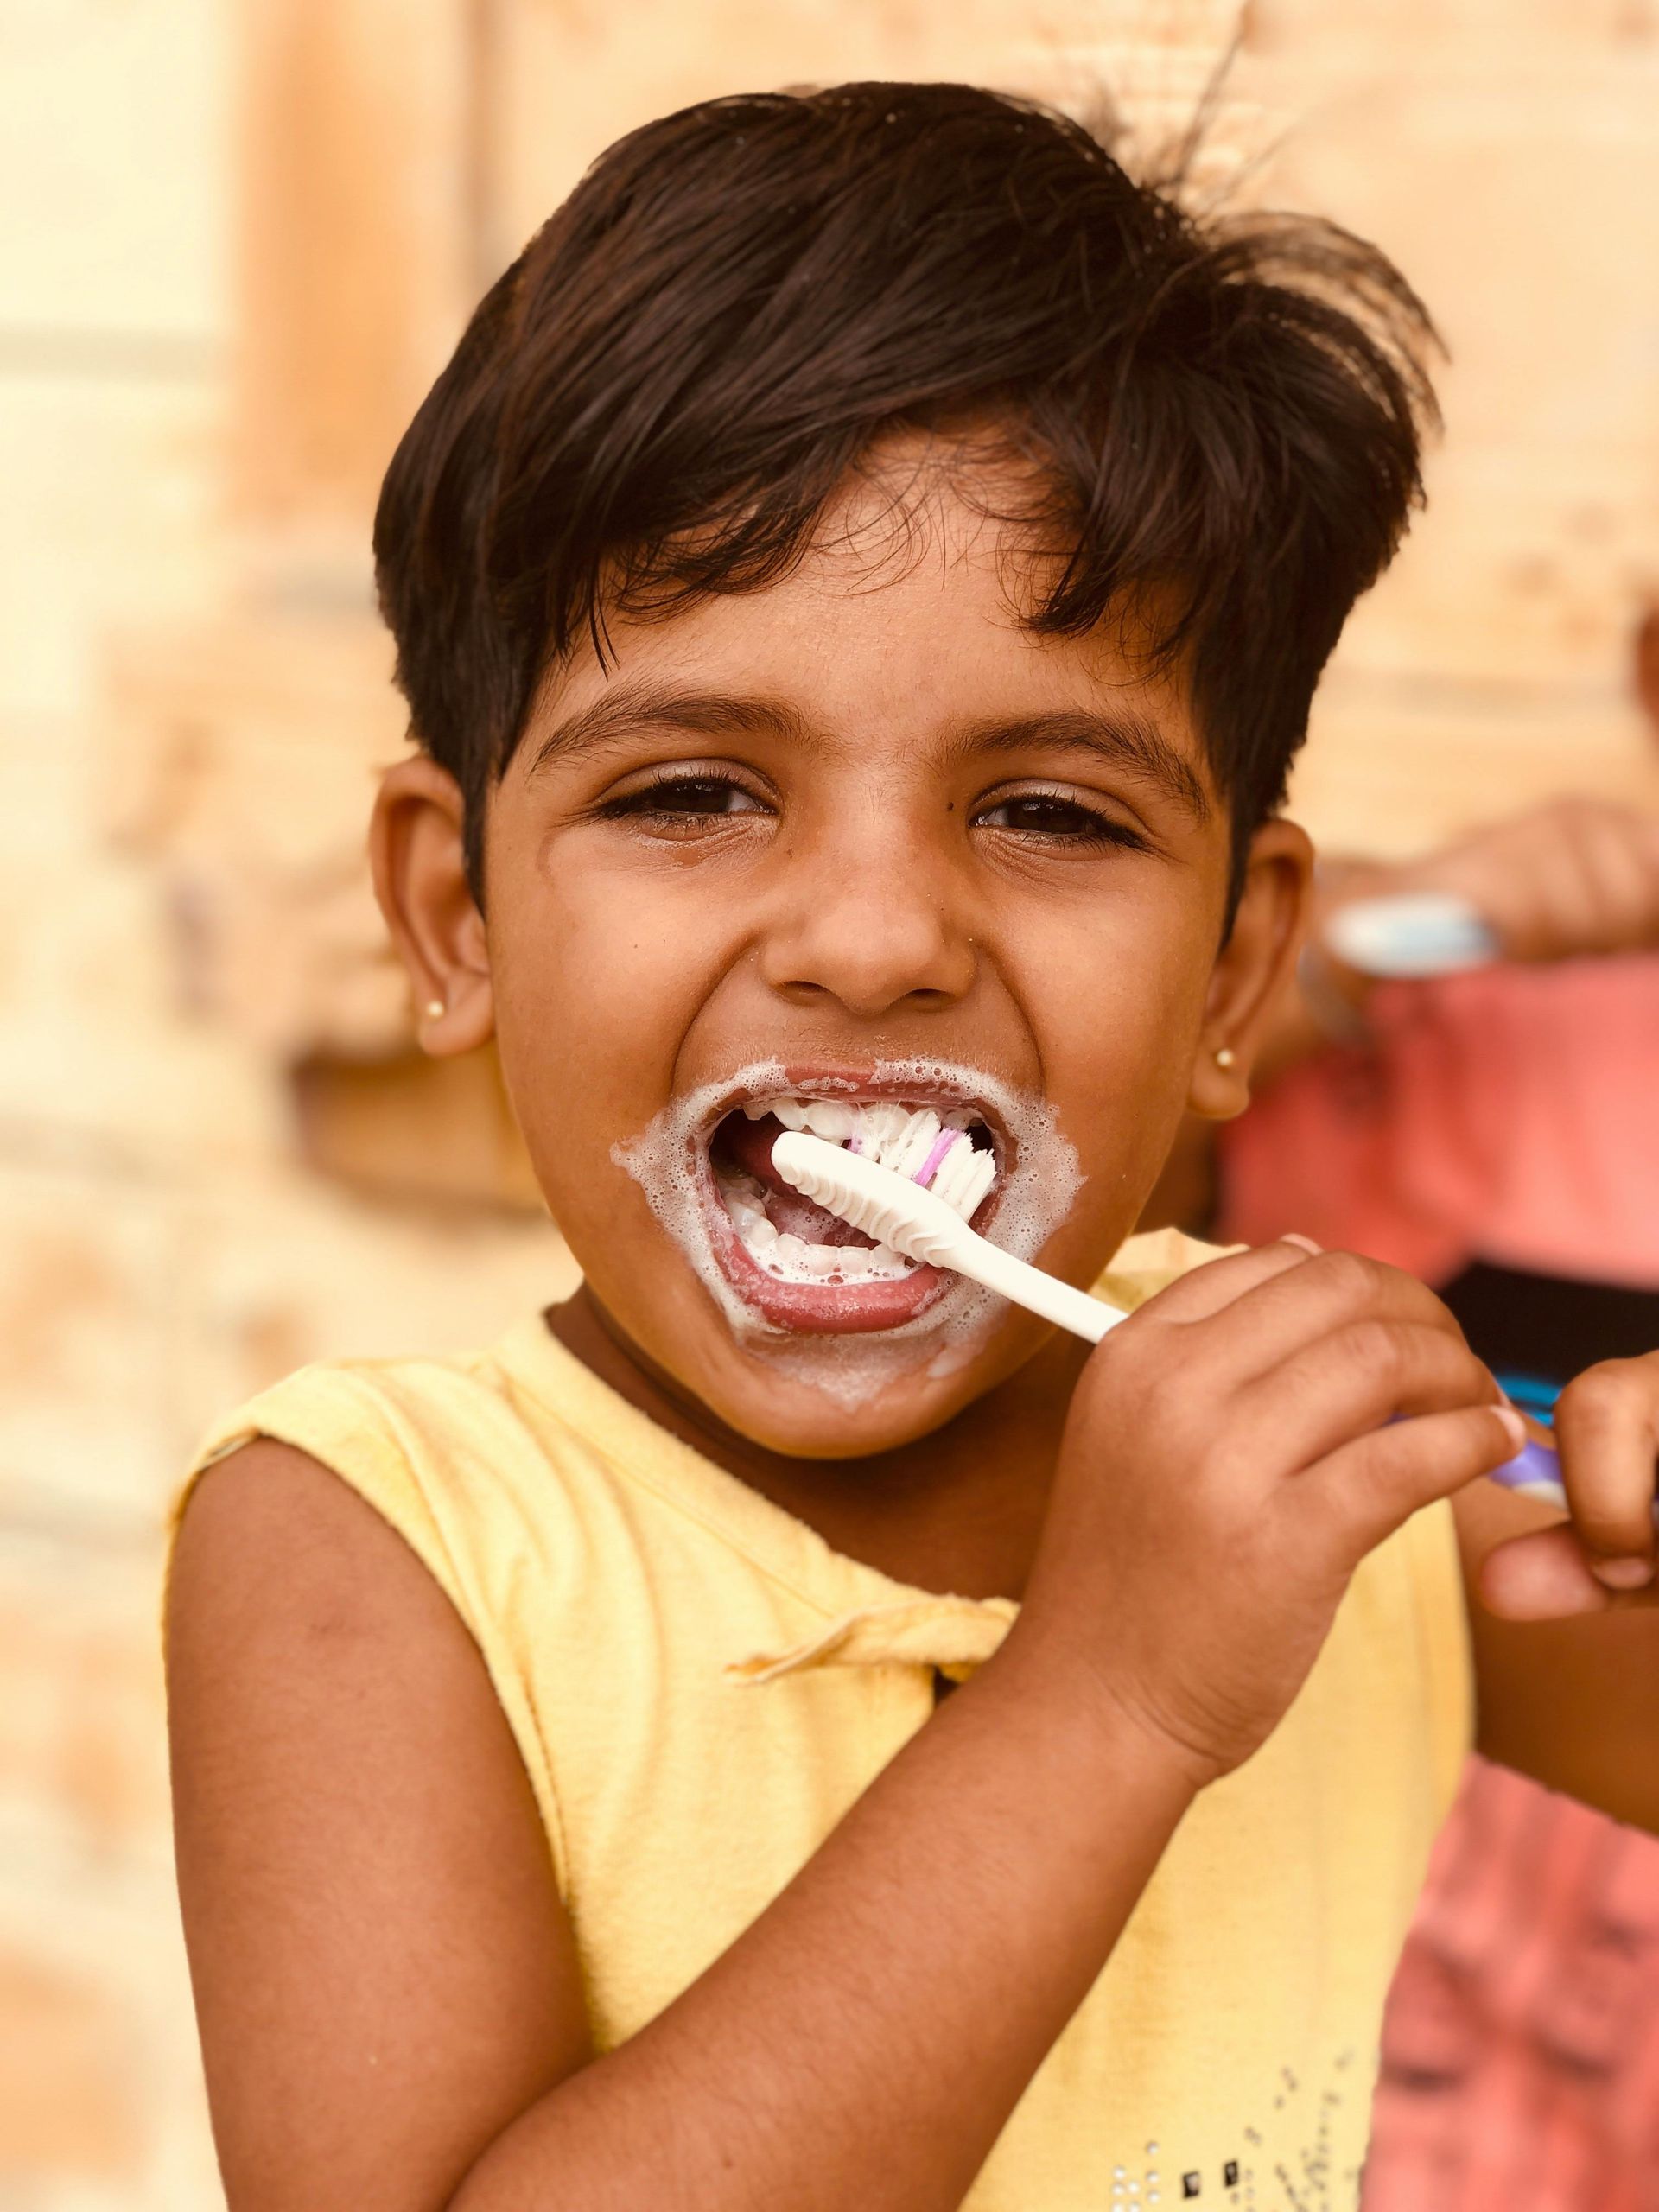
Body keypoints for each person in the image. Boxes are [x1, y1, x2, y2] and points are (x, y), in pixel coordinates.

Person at [160, 84, 1659, 2212]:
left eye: (1051, 811)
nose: (875, 940)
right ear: (455, 910)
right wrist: (1112, 1691)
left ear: (1242, 968)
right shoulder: (375, 1550)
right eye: (690, 791)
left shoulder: (1308, 1472)